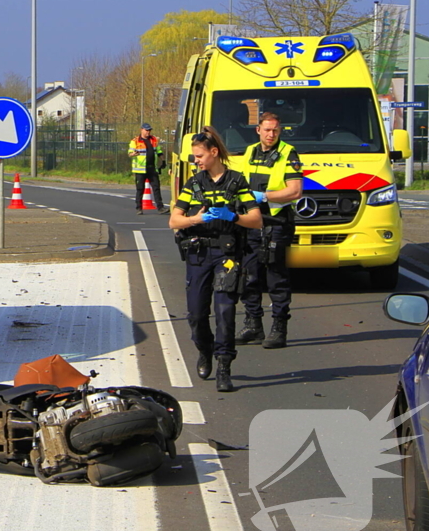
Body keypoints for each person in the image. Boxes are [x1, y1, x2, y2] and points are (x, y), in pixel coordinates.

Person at [169, 126, 262, 392]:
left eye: (199, 155)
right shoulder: (194, 183)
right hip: (198, 254)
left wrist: (232, 216)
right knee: (197, 314)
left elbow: (256, 220)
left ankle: (224, 365)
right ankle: (204, 349)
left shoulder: (236, 182)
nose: (195, 161)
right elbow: (174, 220)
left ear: (214, 152)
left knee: (225, 311)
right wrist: (196, 219)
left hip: (227, 254)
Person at [235, 112, 303, 349]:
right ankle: (253, 324)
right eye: (267, 130)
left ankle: (279, 328)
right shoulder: (250, 151)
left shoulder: (288, 153)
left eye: (275, 130)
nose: (271, 134)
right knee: (249, 274)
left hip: (276, 222)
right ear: (258, 130)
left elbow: (295, 191)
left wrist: (264, 196)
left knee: (276, 277)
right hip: (252, 221)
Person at [128, 123, 167, 214]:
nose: (148, 132)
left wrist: (163, 161)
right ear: (141, 130)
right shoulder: (135, 141)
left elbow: (159, 151)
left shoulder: (153, 140)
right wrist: (133, 154)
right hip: (140, 169)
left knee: (156, 188)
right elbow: (130, 153)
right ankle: (139, 208)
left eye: (149, 130)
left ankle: (160, 208)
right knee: (140, 189)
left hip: (152, 168)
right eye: (146, 130)